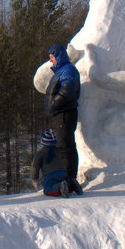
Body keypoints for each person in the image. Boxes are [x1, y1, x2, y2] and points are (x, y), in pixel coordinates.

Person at [45, 44, 83, 195]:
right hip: (62, 113)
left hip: (64, 113)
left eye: (52, 58)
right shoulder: (63, 70)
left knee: (65, 146)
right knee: (66, 145)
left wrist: (53, 104)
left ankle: (68, 179)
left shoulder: (68, 70)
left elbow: (68, 90)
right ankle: (70, 179)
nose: (51, 61)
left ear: (59, 56)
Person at [31, 128, 70, 197]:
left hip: (50, 174)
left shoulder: (41, 153)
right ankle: (71, 184)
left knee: (48, 190)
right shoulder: (58, 150)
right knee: (62, 182)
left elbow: (35, 166)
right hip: (63, 172)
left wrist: (34, 179)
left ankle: (59, 187)